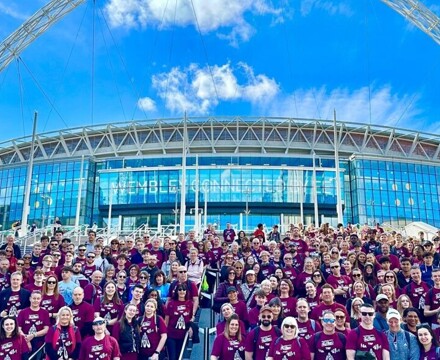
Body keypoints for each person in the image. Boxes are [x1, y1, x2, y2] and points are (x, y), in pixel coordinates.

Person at [165, 283, 193, 360]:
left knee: (179, 357)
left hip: (183, 335)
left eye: (184, 289)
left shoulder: (190, 304)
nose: (182, 291)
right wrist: (164, 332)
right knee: (172, 357)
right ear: (177, 291)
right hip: (171, 334)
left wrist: (190, 327)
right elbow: (166, 319)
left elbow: (191, 318)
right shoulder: (171, 303)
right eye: (180, 289)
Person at [17, 290, 50, 356]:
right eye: (34, 298)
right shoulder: (23, 312)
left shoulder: (45, 312)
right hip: (24, 341)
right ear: (30, 299)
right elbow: (18, 328)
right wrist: (26, 340)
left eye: (38, 298)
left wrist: (33, 335)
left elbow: (46, 329)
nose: (36, 300)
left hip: (39, 342)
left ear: (41, 299)